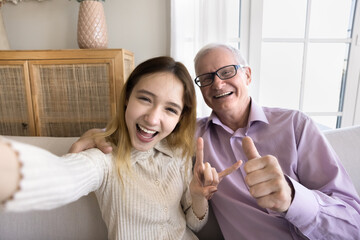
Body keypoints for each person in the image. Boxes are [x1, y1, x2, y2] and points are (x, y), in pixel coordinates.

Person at [70, 44, 360, 239]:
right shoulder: (189, 137)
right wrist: (103, 135)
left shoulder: (296, 126)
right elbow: (146, 129)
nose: (217, 84)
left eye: (226, 72)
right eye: (206, 78)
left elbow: (353, 224)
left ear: (247, 75)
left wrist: (292, 199)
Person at [0, 56, 241, 240]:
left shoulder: (178, 153)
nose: (153, 119)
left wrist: (198, 195)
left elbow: (194, 223)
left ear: (180, 117)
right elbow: (62, 176)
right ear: (127, 97)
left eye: (170, 109)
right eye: (145, 99)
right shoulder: (104, 157)